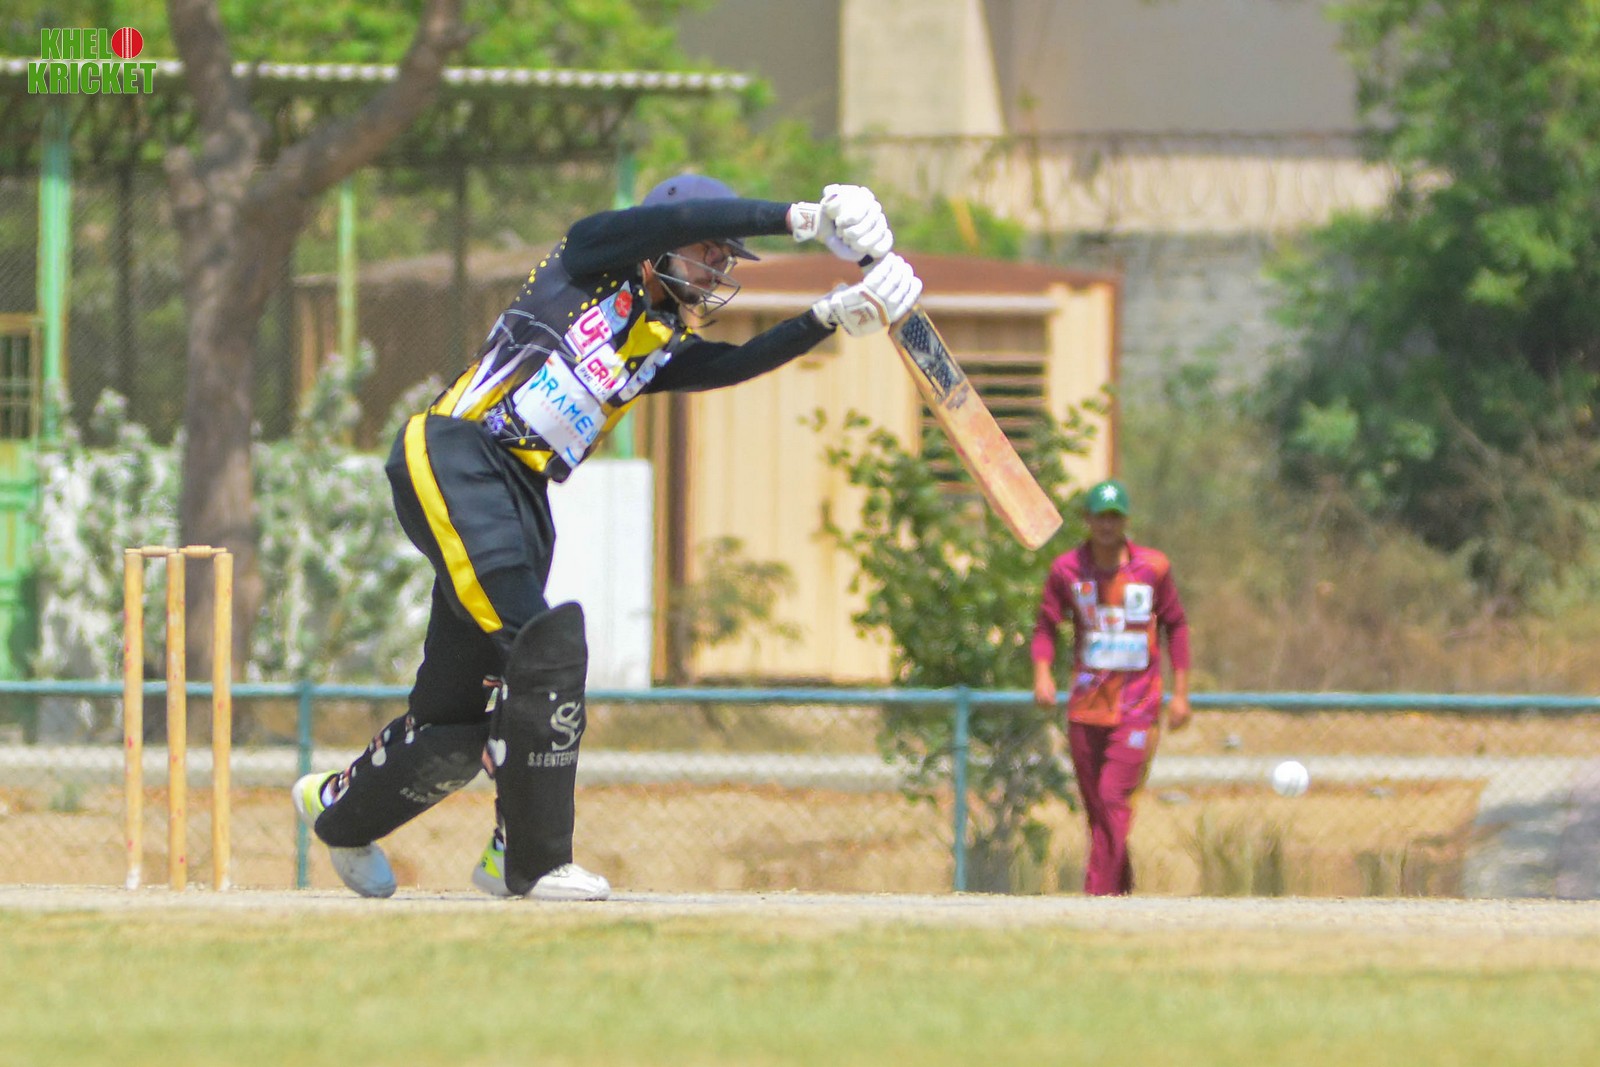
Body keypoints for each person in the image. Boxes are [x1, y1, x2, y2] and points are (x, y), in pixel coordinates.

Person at [292, 174, 922, 900]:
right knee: (544, 649)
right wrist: (803, 218)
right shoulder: (589, 256)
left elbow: (728, 365)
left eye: (726, 257)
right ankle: (526, 860)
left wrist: (830, 315)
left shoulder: (659, 340)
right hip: (458, 453)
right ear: (661, 241)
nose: (718, 268)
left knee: (454, 726)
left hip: (524, 499)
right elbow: (677, 218)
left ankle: (337, 809)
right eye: (708, 251)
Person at [1030, 478, 1191, 896]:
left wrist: (1181, 694)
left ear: (1126, 521)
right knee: (1098, 810)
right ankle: (1120, 893)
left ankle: (1096, 896)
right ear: (1087, 520)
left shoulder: (1152, 568)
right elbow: (1046, 625)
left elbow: (1176, 626)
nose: (1107, 525)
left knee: (1113, 796)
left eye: (1114, 517)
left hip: (1138, 704)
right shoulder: (1067, 570)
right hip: (1086, 706)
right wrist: (1042, 674)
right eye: (1100, 517)